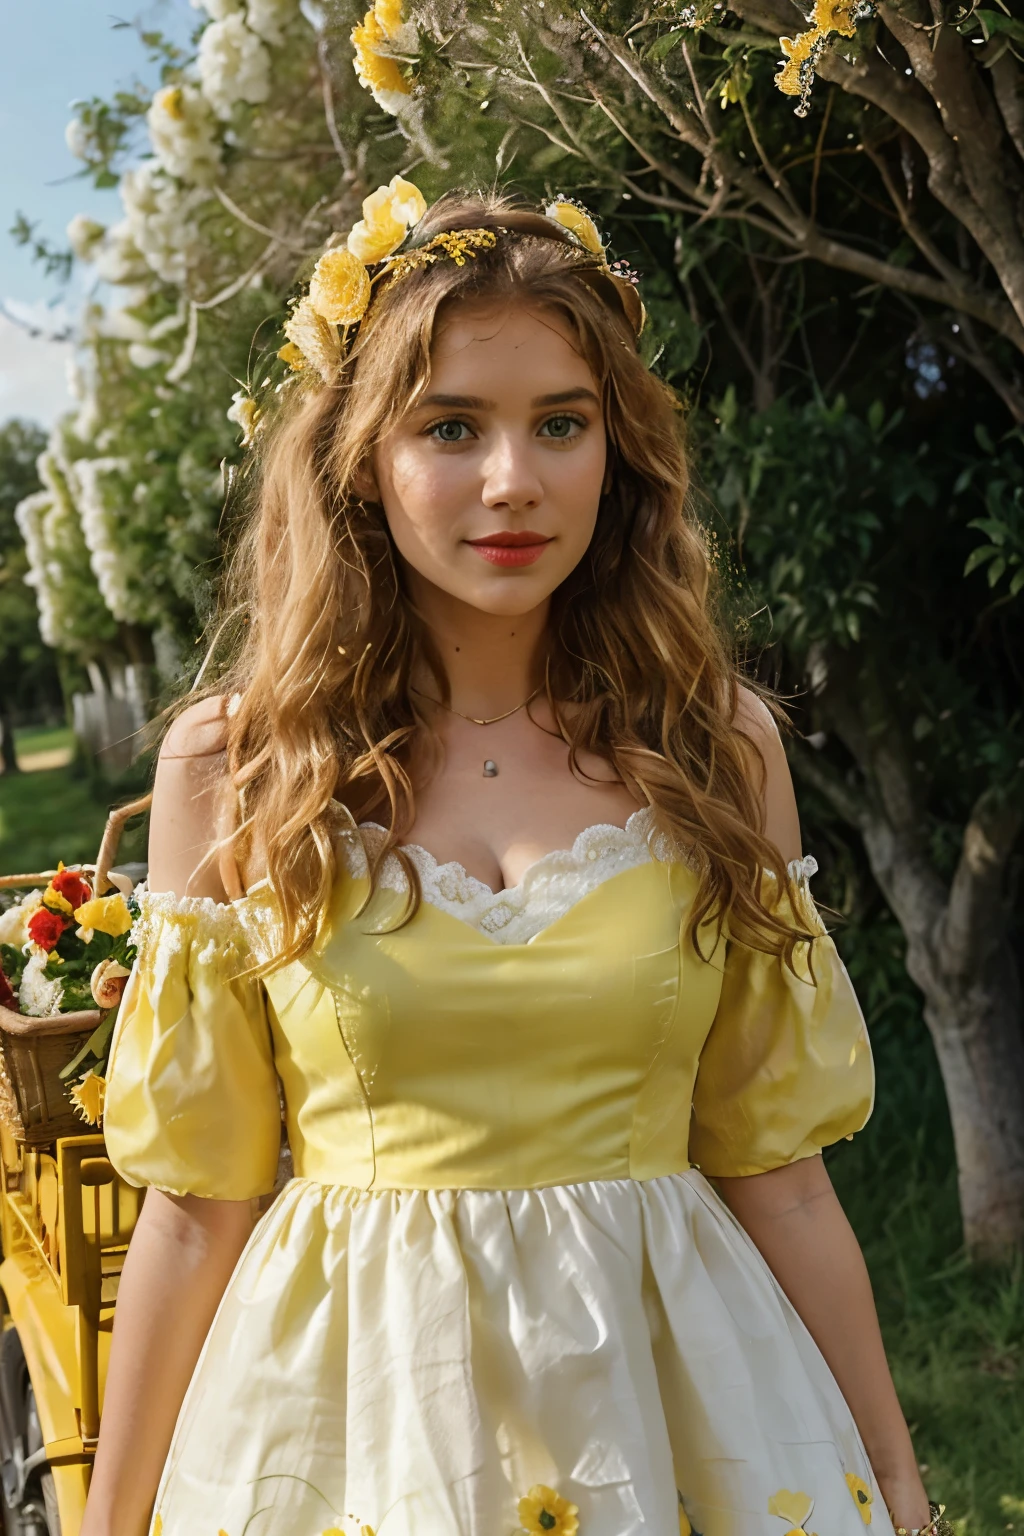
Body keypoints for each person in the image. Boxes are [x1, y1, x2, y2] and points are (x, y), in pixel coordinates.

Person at [82, 187, 937, 1536]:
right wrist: (107, 1522)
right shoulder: (239, 766)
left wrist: (891, 1478)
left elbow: (781, 1174)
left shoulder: (717, 748)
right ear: (363, 456)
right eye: (451, 428)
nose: (513, 482)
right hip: (361, 1431)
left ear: (618, 449)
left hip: (675, 1417)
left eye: (560, 422)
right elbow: (197, 1212)